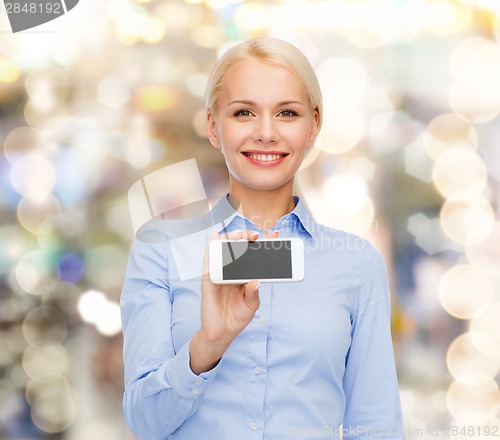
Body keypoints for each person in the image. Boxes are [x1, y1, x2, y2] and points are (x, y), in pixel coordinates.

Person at [121, 37, 403, 440]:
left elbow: (376, 427)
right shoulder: (161, 251)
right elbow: (144, 423)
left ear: (313, 126)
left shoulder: (356, 263)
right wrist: (207, 346)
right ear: (213, 127)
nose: (266, 133)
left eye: (287, 113)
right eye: (244, 112)